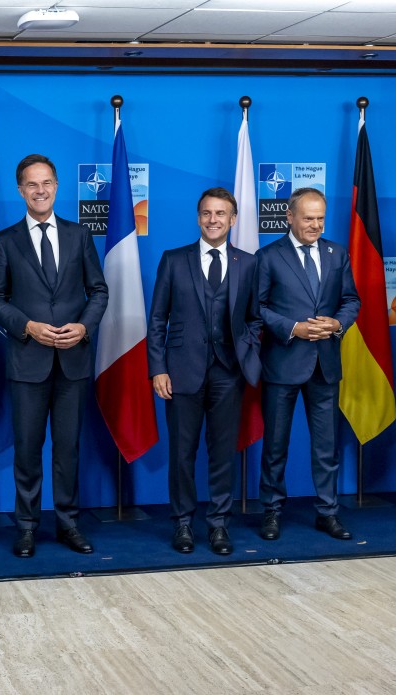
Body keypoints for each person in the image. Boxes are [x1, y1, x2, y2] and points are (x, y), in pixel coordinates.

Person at [0, 153, 108, 558]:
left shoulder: (79, 235)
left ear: (57, 186)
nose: (40, 190)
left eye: (47, 183)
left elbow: (99, 290)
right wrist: (27, 326)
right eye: (32, 184)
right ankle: (26, 527)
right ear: (21, 191)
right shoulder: (5, 240)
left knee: (68, 449)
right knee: (27, 450)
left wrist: (84, 327)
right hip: (28, 361)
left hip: (73, 362)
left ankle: (69, 523)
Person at [148, 187, 261, 555]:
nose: (214, 220)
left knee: (222, 452)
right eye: (207, 213)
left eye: (221, 213)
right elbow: (157, 319)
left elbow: (256, 318)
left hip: (229, 372)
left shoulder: (249, 263)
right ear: (198, 218)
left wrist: (247, 350)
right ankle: (182, 523)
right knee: (182, 452)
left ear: (233, 219)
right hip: (182, 371)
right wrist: (158, 368)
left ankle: (219, 525)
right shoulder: (173, 260)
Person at [256, 187, 360, 541]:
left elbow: (351, 300)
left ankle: (328, 512)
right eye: (308, 218)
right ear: (289, 217)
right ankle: (271, 511)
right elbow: (257, 307)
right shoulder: (268, 256)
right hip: (282, 364)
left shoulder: (337, 253)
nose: (316, 225)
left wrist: (337, 323)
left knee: (326, 446)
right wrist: (293, 328)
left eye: (320, 219)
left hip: (325, 365)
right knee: (275, 446)